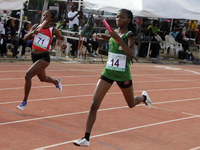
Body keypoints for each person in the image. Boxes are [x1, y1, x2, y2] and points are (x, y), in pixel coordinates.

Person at [73, 9, 152, 147]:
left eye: (122, 17)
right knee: (94, 105)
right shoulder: (114, 33)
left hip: (123, 75)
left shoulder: (129, 35)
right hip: (108, 72)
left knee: (131, 103)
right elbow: (113, 40)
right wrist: (102, 37)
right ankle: (86, 138)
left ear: (129, 20)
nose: (118, 19)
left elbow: (131, 55)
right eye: (117, 17)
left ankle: (144, 98)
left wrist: (117, 37)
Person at [16, 10, 67, 110]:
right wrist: (32, 32)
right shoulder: (36, 26)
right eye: (44, 15)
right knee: (42, 79)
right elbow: (25, 39)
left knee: (28, 76)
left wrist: (64, 43)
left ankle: (24, 101)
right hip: (34, 56)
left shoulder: (53, 30)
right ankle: (56, 82)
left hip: (44, 57)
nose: (44, 17)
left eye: (47, 16)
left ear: (51, 19)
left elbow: (62, 37)